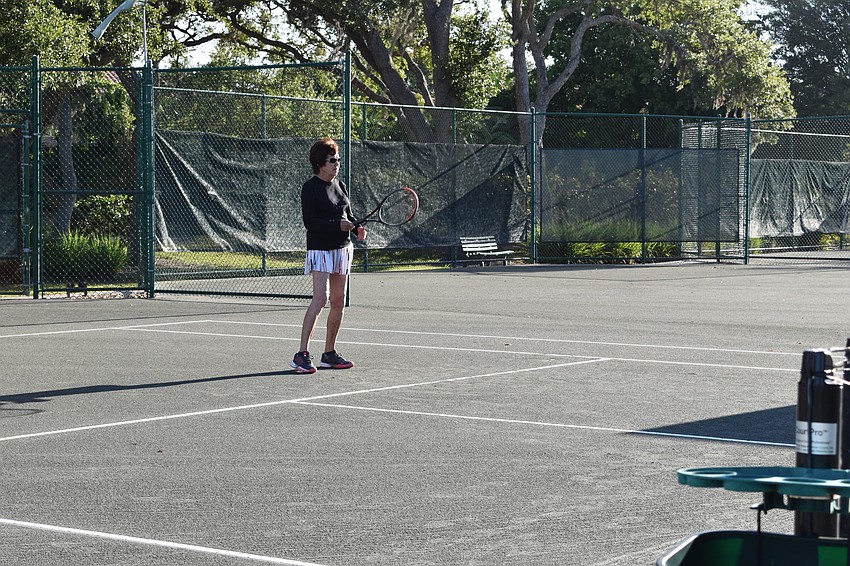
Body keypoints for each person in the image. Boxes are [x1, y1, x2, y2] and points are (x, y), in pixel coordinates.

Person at [291, 138, 366, 374]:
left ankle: (329, 354)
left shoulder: (340, 185)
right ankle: (301, 354)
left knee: (338, 300)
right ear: (320, 163)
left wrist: (356, 228)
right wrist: (338, 225)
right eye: (332, 160)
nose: (337, 164)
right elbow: (310, 222)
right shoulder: (310, 188)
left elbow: (348, 215)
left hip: (342, 249)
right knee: (320, 298)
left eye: (338, 160)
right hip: (320, 249)